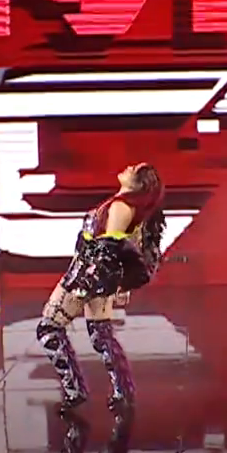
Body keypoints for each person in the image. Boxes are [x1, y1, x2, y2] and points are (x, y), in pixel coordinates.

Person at [35, 163, 167, 412]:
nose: (128, 167)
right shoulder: (127, 207)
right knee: (100, 334)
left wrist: (84, 287)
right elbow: (122, 250)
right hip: (97, 278)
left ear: (138, 183)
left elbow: (107, 252)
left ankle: (75, 390)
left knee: (48, 328)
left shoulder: (121, 208)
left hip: (86, 275)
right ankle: (122, 391)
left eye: (134, 169)